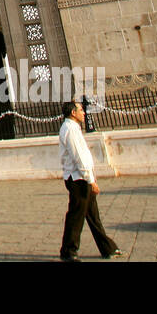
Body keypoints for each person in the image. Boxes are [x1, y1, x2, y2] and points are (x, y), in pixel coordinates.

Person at [58, 101, 122, 261]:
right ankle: (68, 251)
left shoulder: (73, 128)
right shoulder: (70, 130)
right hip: (78, 179)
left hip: (82, 177)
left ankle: (107, 248)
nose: (83, 113)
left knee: (93, 215)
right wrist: (90, 179)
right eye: (80, 110)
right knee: (76, 216)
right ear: (73, 112)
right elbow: (78, 157)